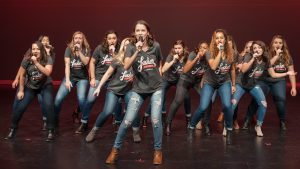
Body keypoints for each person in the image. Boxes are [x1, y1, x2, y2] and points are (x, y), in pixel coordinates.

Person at [105, 20, 164, 165]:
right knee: (127, 121)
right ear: (134, 33)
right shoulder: (131, 47)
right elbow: (125, 66)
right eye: (137, 30)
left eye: (143, 30)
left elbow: (160, 62)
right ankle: (115, 150)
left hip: (156, 87)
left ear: (148, 32)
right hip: (138, 89)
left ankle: (158, 151)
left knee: (156, 120)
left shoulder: (155, 46)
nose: (140, 33)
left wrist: (159, 75)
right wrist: (137, 51)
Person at [189, 29, 236, 145]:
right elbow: (214, 66)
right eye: (217, 38)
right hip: (210, 82)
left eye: (221, 38)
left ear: (225, 39)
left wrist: (233, 84)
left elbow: (233, 69)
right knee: (203, 106)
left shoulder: (232, 52)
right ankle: (191, 127)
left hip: (224, 81)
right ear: (214, 40)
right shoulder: (209, 51)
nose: (219, 40)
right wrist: (220, 53)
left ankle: (229, 130)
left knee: (227, 105)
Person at [85, 38, 137, 142]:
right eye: (125, 45)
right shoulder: (117, 59)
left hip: (128, 90)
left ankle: (136, 131)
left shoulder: (137, 60)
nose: (127, 47)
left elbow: (142, 74)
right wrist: (98, 88)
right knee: (107, 111)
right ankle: (94, 130)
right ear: (122, 47)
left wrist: (135, 78)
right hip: (114, 89)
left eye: (129, 45)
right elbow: (108, 73)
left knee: (133, 108)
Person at [242, 36, 297, 131]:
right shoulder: (267, 53)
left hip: (279, 81)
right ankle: (247, 119)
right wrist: (276, 55)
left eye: (280, 43)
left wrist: (293, 87)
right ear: (272, 44)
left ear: (283, 44)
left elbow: (291, 72)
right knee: (256, 100)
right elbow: (268, 65)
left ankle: (282, 121)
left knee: (281, 101)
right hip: (264, 80)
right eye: (276, 42)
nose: (278, 44)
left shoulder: (287, 57)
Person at [5, 41, 55, 142]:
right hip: (31, 86)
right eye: (33, 49)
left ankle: (50, 131)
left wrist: (36, 62)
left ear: (41, 50)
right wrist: (21, 90)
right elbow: (22, 75)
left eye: (37, 49)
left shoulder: (47, 58)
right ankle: (12, 129)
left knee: (48, 105)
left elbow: (48, 72)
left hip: (45, 85)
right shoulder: (27, 59)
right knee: (20, 107)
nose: (35, 51)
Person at [75, 30, 122, 134]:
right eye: (109, 38)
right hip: (99, 77)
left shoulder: (120, 49)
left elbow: (121, 64)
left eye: (114, 38)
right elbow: (92, 62)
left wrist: (113, 53)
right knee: (90, 99)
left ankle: (118, 122)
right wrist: (92, 78)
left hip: (113, 80)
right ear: (106, 39)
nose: (112, 40)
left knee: (117, 101)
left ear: (116, 39)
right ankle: (84, 122)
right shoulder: (100, 48)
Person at [142, 40, 190, 129]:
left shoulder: (187, 56)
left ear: (183, 49)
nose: (177, 50)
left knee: (186, 96)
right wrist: (173, 60)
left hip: (179, 80)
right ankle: (145, 116)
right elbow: (163, 70)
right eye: (175, 48)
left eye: (179, 48)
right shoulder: (171, 56)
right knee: (159, 97)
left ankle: (188, 119)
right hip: (166, 80)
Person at [165, 41, 209, 136]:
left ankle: (204, 123)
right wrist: (197, 58)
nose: (203, 49)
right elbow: (184, 70)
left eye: (205, 48)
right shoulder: (193, 54)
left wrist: (202, 81)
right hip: (185, 80)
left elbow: (206, 71)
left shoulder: (208, 57)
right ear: (198, 48)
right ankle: (168, 124)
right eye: (201, 47)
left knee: (207, 100)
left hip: (196, 82)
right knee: (178, 101)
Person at [54, 31, 90, 128]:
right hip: (70, 77)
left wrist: (79, 52)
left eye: (80, 38)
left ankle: (84, 121)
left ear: (83, 40)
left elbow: (86, 62)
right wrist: (68, 80)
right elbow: (67, 65)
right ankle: (55, 118)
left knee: (82, 99)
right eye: (76, 38)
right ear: (73, 40)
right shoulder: (68, 49)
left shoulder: (86, 49)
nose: (78, 40)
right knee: (58, 99)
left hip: (82, 78)